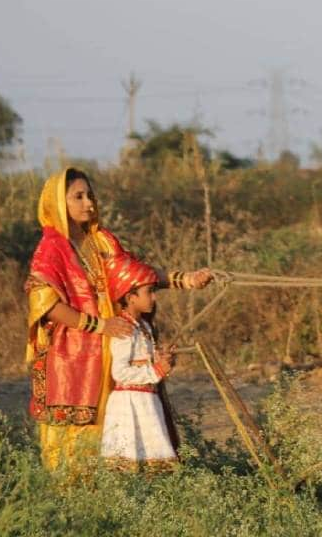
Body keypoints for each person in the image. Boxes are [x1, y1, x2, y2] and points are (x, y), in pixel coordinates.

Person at [25, 167, 212, 470]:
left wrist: (185, 280)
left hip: (113, 348)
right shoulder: (50, 250)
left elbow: (135, 277)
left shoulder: (102, 242)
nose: (89, 203)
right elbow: (45, 305)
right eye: (79, 197)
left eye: (90, 195)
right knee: (76, 435)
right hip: (71, 356)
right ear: (59, 203)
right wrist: (99, 325)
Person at [100, 252, 177, 470]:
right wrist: (156, 371)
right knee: (127, 463)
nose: (153, 297)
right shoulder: (123, 329)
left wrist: (163, 360)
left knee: (154, 466)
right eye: (148, 292)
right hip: (129, 404)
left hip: (147, 402)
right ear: (130, 296)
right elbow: (120, 373)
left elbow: (147, 364)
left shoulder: (145, 327)